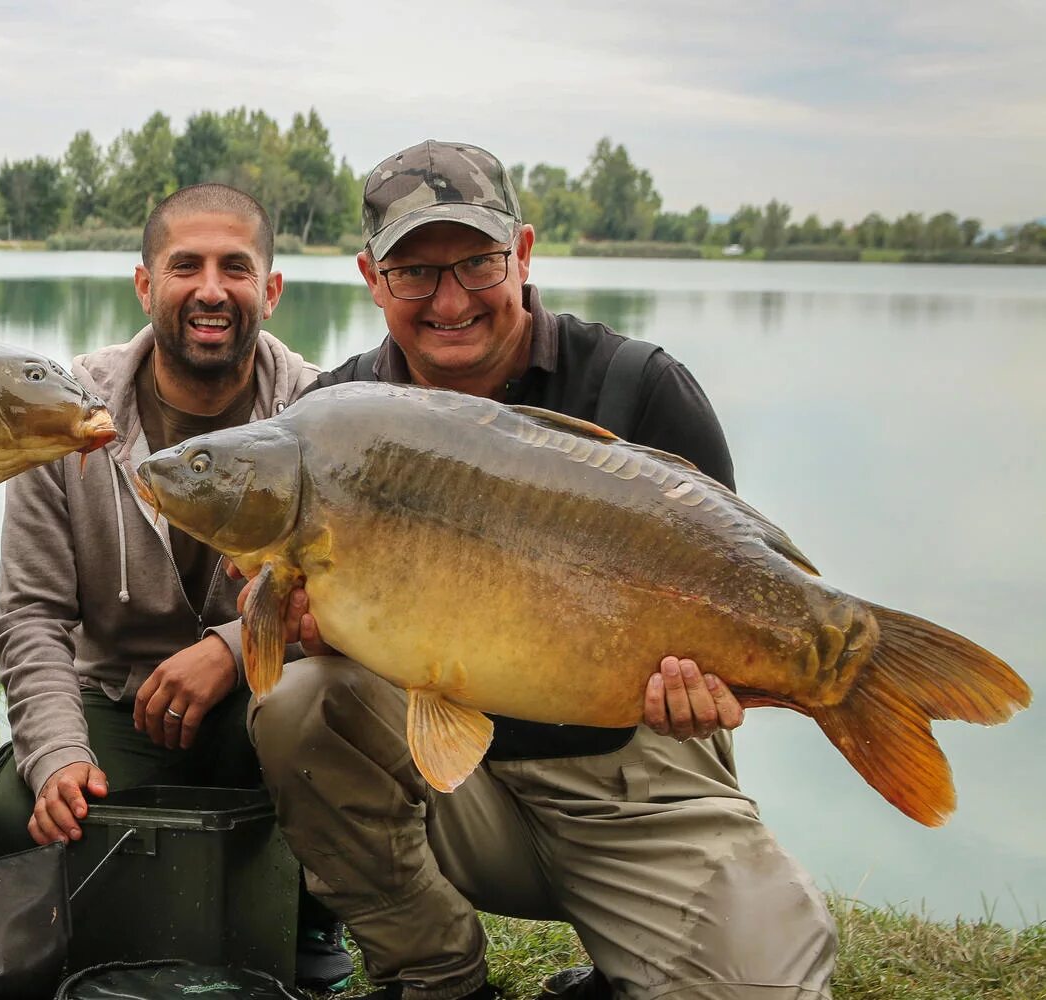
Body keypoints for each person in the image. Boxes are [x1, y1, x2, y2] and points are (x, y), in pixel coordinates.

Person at [248, 141, 838, 1000]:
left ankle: (627, 960)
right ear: (372, 279)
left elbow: (728, 594)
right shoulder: (329, 425)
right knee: (297, 707)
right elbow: (319, 634)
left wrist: (719, 688)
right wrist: (300, 633)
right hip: (449, 785)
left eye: (477, 263)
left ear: (522, 253)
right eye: (414, 272)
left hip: (634, 781)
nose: (449, 299)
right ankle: (438, 978)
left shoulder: (643, 390)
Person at [0, 183, 353, 990]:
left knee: (322, 722)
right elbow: (31, 614)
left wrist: (229, 645)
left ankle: (311, 911)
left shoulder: (327, 410)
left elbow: (347, 599)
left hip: (271, 694)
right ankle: (135, 895)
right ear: (145, 285)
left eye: (235, 268)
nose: (211, 290)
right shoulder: (65, 409)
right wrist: (59, 756)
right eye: (186, 266)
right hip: (121, 701)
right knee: (15, 813)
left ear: (271, 291)